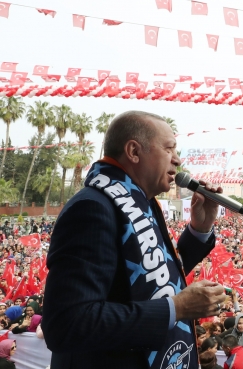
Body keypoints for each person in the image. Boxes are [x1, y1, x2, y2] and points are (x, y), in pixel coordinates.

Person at [42, 111, 227, 369]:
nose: (177, 160)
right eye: (169, 149)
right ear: (133, 151)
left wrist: (199, 228)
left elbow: (153, 275)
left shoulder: (142, 203)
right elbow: (67, 323)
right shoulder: (92, 208)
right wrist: (176, 308)